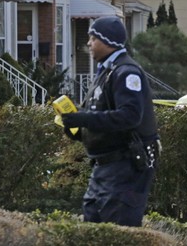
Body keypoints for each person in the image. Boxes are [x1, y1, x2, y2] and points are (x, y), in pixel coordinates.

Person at [61, 16, 159, 227]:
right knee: (93, 222)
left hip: (125, 166)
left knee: (117, 228)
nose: (88, 43)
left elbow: (130, 116)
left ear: (108, 41)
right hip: (105, 167)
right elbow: (102, 117)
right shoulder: (107, 71)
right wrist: (77, 129)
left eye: (93, 38)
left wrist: (84, 118)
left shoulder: (126, 73)